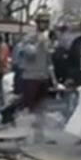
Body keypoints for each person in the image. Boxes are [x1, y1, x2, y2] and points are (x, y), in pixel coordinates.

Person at [18, 13, 55, 142]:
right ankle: (24, 134)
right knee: (28, 107)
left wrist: (54, 80)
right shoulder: (29, 38)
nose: (44, 24)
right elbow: (29, 53)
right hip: (30, 77)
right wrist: (39, 41)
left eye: (46, 22)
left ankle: (39, 135)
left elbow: (49, 61)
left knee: (41, 107)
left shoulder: (48, 39)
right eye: (42, 22)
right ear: (38, 23)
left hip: (43, 77)